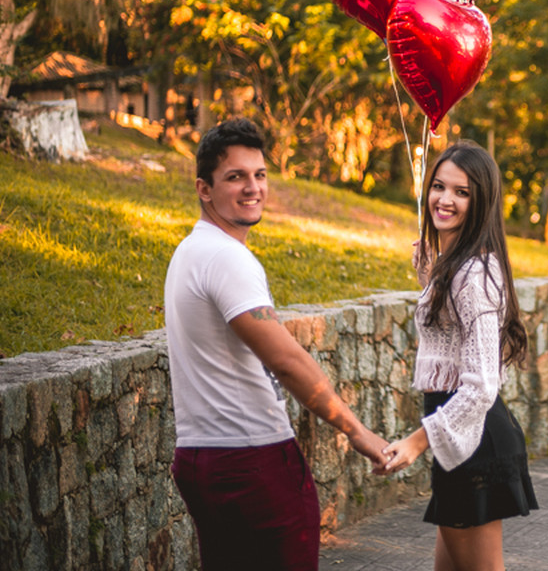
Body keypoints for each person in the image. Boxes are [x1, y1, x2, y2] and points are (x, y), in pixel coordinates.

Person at [165, 117, 387, 571]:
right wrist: (359, 433)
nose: (253, 188)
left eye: (259, 175)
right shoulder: (227, 258)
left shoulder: (191, 250)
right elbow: (285, 360)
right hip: (253, 463)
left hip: (199, 458)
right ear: (203, 189)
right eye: (236, 177)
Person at [381, 141, 539, 571]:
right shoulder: (457, 265)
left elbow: (483, 384)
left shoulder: (473, 275)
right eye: (438, 187)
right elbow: (448, 332)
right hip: (459, 441)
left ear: (481, 200)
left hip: (475, 441)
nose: (445, 199)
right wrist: (430, 274)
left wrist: (416, 442)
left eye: (461, 192)